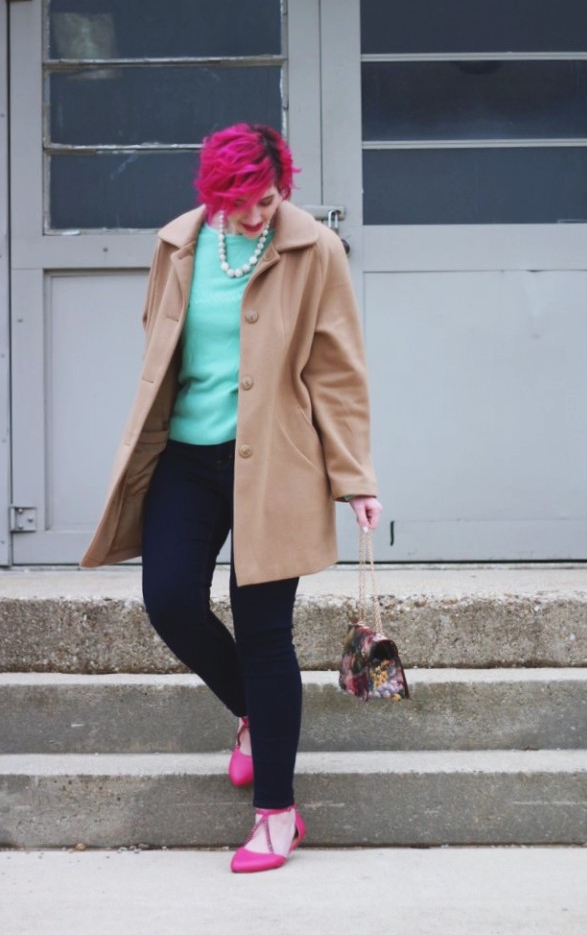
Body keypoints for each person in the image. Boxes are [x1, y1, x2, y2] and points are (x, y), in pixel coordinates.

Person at [81, 122, 382, 873]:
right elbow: (161, 340)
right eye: (241, 202)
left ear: (286, 184)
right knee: (171, 599)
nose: (256, 216)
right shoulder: (178, 244)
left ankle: (277, 815)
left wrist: (356, 478)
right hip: (187, 456)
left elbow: (336, 371)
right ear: (215, 193)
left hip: (275, 460)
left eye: (268, 198)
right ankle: (255, 713)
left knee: (264, 631)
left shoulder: (315, 250)